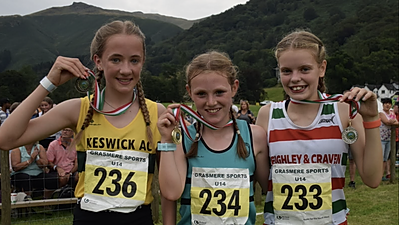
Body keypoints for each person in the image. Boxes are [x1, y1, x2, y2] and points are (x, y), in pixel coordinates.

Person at [0, 20, 170, 225]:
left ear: (143, 62)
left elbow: (169, 186)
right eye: (116, 60)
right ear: (98, 61)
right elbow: (6, 139)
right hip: (88, 218)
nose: (126, 70)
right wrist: (49, 83)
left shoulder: (157, 113)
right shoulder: (78, 109)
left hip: (138, 218)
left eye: (134, 60)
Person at [256, 30, 383, 225]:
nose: (295, 78)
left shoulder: (344, 112)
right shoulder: (268, 114)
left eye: (305, 69)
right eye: (286, 71)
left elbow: (372, 179)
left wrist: (372, 119)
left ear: (321, 68)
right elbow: (266, 183)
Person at [157, 51, 269, 225]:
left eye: (219, 92)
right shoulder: (183, 138)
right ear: (189, 92)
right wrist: (166, 141)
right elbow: (171, 194)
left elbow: (273, 193)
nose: (211, 102)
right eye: (201, 94)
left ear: (234, 88)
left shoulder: (255, 136)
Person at [379, 98, 398, 181]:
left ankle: (383, 174)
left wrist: (392, 121)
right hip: (381, 138)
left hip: (389, 138)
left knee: (386, 158)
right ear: (383, 105)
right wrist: (392, 121)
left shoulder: (392, 113)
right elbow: (386, 122)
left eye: (389, 103)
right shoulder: (381, 113)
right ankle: (378, 175)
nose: (387, 105)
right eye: (385, 103)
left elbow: (397, 123)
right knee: (381, 157)